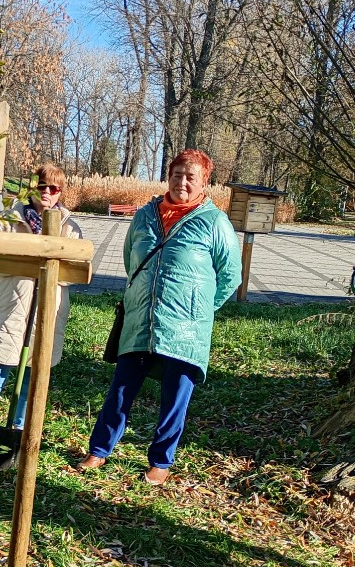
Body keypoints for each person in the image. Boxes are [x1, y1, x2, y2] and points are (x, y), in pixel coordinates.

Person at [76, 149, 241, 485]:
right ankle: (99, 450)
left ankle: (161, 462)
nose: (182, 182)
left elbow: (230, 275)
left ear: (204, 183)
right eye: (178, 174)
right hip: (140, 319)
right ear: (169, 176)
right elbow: (130, 260)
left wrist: (199, 309)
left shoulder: (215, 222)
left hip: (186, 328)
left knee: (176, 394)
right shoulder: (145, 214)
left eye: (190, 177)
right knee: (121, 387)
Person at [0, 162, 83, 465]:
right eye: (42, 187)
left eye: (55, 188)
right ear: (31, 189)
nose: (48, 194)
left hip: (44, 314)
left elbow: (72, 270)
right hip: (10, 309)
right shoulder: (9, 219)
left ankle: (19, 435)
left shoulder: (69, 225)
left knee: (30, 381)